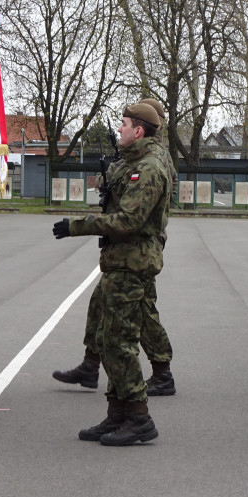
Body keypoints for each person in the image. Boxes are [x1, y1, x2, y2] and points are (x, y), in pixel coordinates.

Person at [51, 101, 171, 445]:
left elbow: (130, 220)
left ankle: (139, 416)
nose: (119, 129)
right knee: (107, 338)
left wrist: (78, 225)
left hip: (132, 263)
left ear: (139, 130)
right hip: (121, 261)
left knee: (119, 343)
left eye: (124, 124)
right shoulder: (134, 164)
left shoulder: (147, 168)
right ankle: (117, 414)